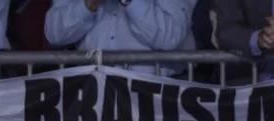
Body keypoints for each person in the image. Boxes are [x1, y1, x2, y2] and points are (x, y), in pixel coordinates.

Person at [45, 0, 197, 75]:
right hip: (93, 92)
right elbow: (54, 34)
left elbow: (170, 37)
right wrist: (88, 4)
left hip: (153, 96)